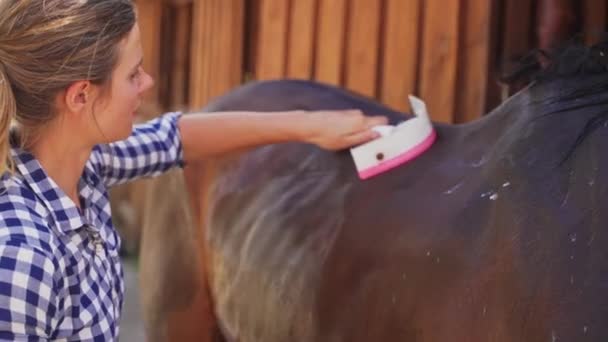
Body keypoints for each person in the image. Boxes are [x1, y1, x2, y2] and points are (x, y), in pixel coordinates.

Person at [0, 0, 387, 340]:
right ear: (81, 96)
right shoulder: (23, 257)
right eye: (134, 74)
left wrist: (310, 126)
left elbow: (176, 137)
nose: (148, 82)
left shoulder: (84, 163)